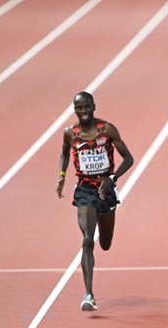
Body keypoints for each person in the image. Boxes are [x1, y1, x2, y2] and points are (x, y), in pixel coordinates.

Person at [56, 91, 134, 311]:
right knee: (87, 239)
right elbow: (63, 154)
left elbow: (129, 158)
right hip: (84, 191)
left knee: (105, 244)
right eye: (79, 108)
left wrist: (113, 178)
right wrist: (62, 177)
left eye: (86, 107)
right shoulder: (70, 133)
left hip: (106, 190)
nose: (83, 112)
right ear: (75, 110)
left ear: (93, 107)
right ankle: (89, 294)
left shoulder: (107, 129)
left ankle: (103, 224)